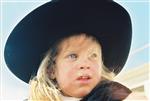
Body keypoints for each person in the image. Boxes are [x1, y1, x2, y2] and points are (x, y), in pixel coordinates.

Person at [4, 0, 133, 101]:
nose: (85, 64)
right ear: (51, 70)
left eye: (93, 55)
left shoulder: (114, 95)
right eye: (73, 56)